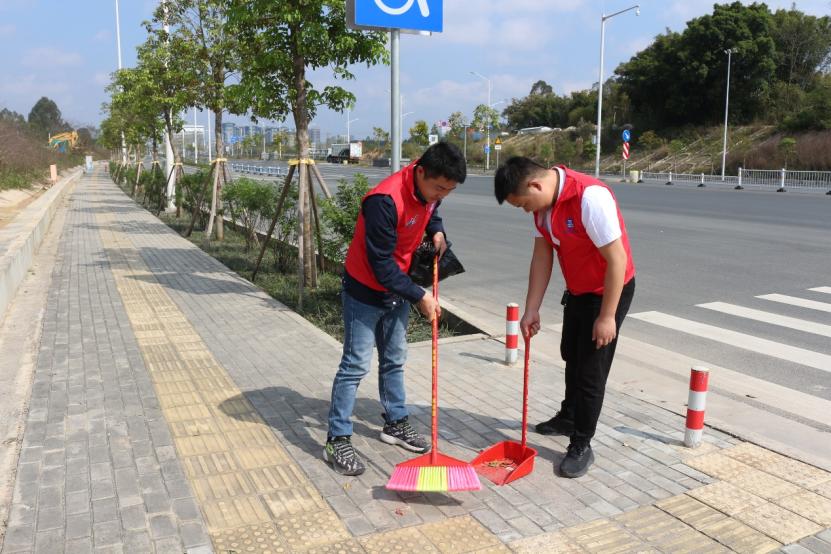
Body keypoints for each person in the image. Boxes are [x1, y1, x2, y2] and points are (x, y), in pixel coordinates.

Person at [324, 142, 466, 476]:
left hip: (397, 289)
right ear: (420, 173)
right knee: (355, 365)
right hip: (365, 289)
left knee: (394, 359)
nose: (442, 194)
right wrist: (420, 295)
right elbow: (380, 266)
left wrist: (437, 229)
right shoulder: (384, 202)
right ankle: (337, 437)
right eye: (439, 188)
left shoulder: (429, 188)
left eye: (449, 190)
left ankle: (395, 422)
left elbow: (433, 209)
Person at [494, 157, 635, 478]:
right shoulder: (544, 209)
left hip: (609, 289)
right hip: (579, 290)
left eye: (523, 204)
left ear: (535, 185)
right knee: (570, 353)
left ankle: (582, 443)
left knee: (590, 369)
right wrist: (532, 308)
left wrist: (607, 316)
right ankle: (570, 414)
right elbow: (542, 256)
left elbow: (617, 260)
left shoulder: (590, 197)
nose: (525, 211)